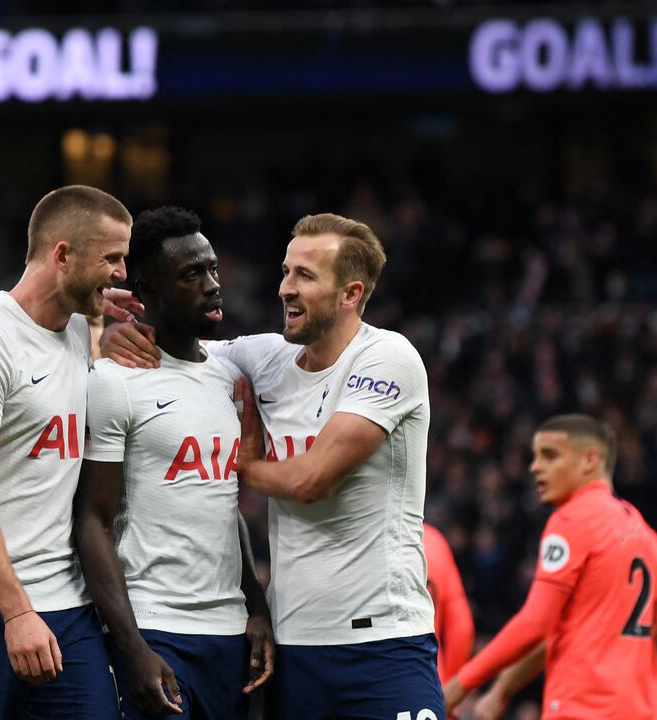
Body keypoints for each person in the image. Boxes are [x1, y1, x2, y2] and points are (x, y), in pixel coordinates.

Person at [107, 212, 442, 719]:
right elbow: (179, 345)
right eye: (286, 272)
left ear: (350, 294)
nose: (285, 288)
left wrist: (241, 466)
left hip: (385, 643)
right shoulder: (265, 358)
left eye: (305, 275)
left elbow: (310, 480)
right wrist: (110, 333)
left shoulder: (387, 357)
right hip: (295, 647)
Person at [74, 207, 275, 720]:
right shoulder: (115, 380)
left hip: (229, 635)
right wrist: (132, 646)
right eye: (191, 275)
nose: (212, 285)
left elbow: (223, 503)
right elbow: (93, 521)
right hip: (156, 628)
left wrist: (255, 605)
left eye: (212, 269)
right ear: (147, 289)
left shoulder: (229, 375)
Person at [0, 185, 131, 719]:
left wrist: (99, 310)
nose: (122, 272)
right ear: (63, 255)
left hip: (69, 604)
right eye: (112, 258)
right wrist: (16, 612)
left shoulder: (77, 329)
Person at [443, 414, 657, 720]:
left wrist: (460, 685)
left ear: (589, 460)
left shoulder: (571, 520)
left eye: (550, 455)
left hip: (583, 707)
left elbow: (535, 624)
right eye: (535, 456)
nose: (535, 467)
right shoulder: (645, 533)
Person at [423, 522, 474, 686]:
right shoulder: (433, 540)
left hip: (372, 683)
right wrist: (449, 686)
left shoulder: (360, 542)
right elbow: (462, 629)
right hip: (430, 678)